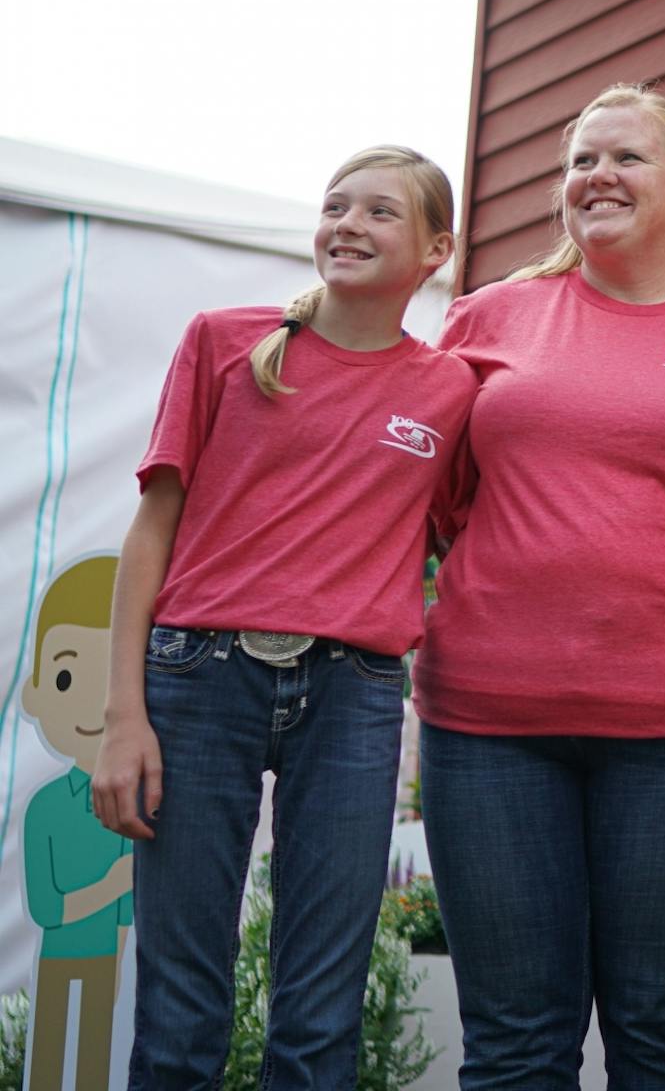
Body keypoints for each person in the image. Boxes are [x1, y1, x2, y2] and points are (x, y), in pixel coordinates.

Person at [418, 85, 665, 1087]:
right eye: (579, 161)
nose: (595, 176)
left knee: (664, 1029)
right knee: (515, 1041)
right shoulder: (489, 316)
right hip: (486, 725)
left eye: (624, 158)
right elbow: (426, 495)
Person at [89, 146, 474, 1086]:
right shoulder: (225, 341)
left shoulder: (452, 391)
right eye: (336, 206)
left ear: (436, 249)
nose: (348, 224)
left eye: (380, 212)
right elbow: (153, 532)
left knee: (322, 1003)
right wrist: (124, 717)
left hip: (355, 698)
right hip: (195, 682)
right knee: (182, 999)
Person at [21, 557, 130, 1091]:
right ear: (35, 693)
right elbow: (46, 907)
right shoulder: (45, 808)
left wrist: (120, 977)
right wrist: (110, 885)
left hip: (108, 964)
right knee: (47, 1066)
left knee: (95, 1067)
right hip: (57, 961)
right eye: (66, 676)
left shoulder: (135, 801)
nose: (95, 702)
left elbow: (128, 914)